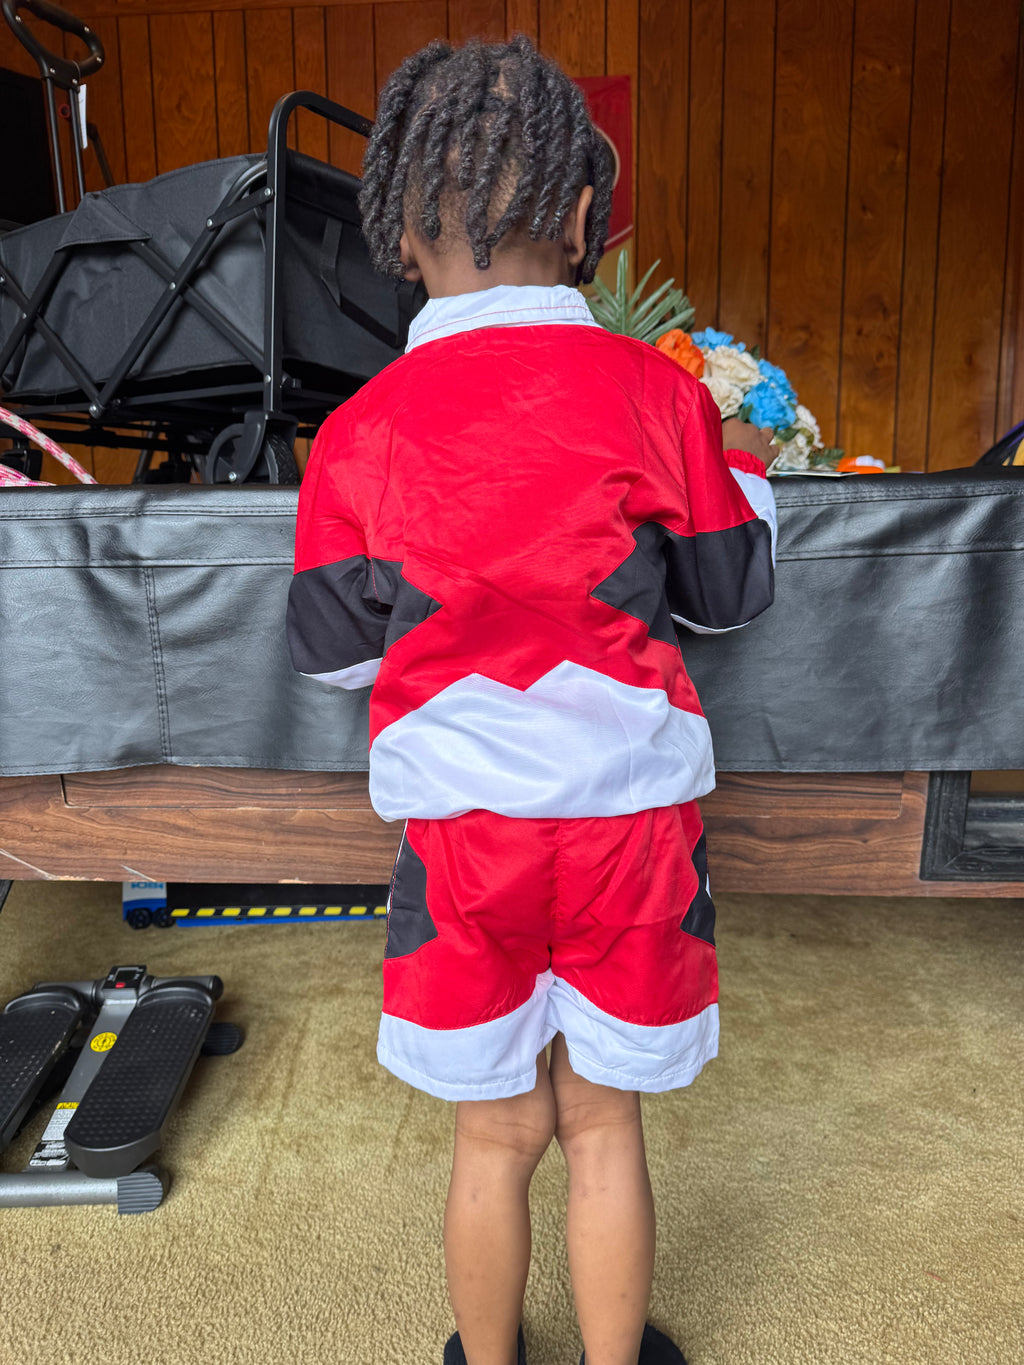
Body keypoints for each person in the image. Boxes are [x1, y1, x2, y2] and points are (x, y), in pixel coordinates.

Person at [287, 34, 777, 1365]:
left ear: (397, 224)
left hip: (463, 844)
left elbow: (333, 651)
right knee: (604, 1120)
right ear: (580, 217)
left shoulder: (361, 430)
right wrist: (753, 477)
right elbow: (732, 600)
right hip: (630, 831)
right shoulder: (657, 396)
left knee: (496, 1129)